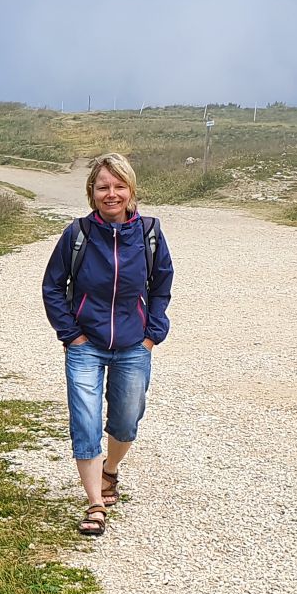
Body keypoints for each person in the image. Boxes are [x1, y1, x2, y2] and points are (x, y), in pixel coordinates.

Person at [40, 152, 174, 537]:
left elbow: (162, 285)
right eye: (103, 187)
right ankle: (95, 503)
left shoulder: (149, 233)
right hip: (85, 343)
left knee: (126, 419)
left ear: (130, 190)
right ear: (92, 192)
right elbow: (52, 286)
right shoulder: (77, 234)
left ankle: (110, 470)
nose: (111, 194)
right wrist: (71, 334)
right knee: (85, 421)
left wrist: (152, 334)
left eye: (119, 186)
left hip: (134, 344)